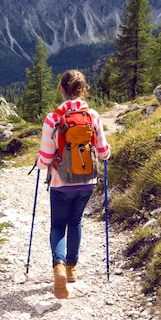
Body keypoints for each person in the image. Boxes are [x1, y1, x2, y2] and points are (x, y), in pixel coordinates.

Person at [35, 69, 110, 299]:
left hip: (60, 182)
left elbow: (46, 159)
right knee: (75, 221)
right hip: (86, 181)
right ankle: (72, 268)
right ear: (83, 90)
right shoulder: (93, 116)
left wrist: (39, 163)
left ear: (61, 89)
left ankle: (58, 267)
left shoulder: (53, 118)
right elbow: (104, 152)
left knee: (58, 225)